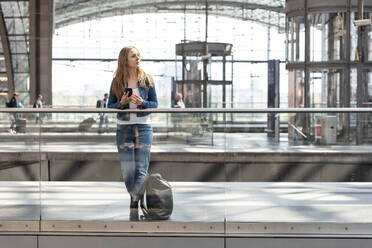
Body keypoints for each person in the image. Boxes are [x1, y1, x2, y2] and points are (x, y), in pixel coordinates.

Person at [107, 46, 158, 221]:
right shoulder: (117, 81)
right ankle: (136, 196)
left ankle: (134, 199)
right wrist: (121, 103)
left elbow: (155, 104)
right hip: (124, 128)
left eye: (138, 55)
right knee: (128, 169)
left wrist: (143, 102)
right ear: (125, 59)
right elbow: (110, 107)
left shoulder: (147, 79)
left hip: (144, 128)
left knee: (142, 168)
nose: (138, 58)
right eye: (134, 56)